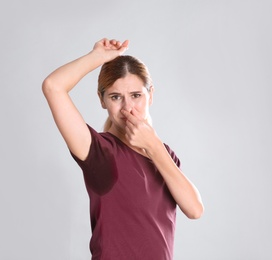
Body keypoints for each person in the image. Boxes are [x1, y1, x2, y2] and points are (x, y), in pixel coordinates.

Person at [42, 38, 204, 260]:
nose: (128, 107)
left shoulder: (164, 154)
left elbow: (194, 210)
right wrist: (96, 57)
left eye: (136, 96)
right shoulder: (99, 152)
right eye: (116, 97)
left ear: (151, 95)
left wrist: (154, 146)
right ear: (102, 100)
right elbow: (53, 86)